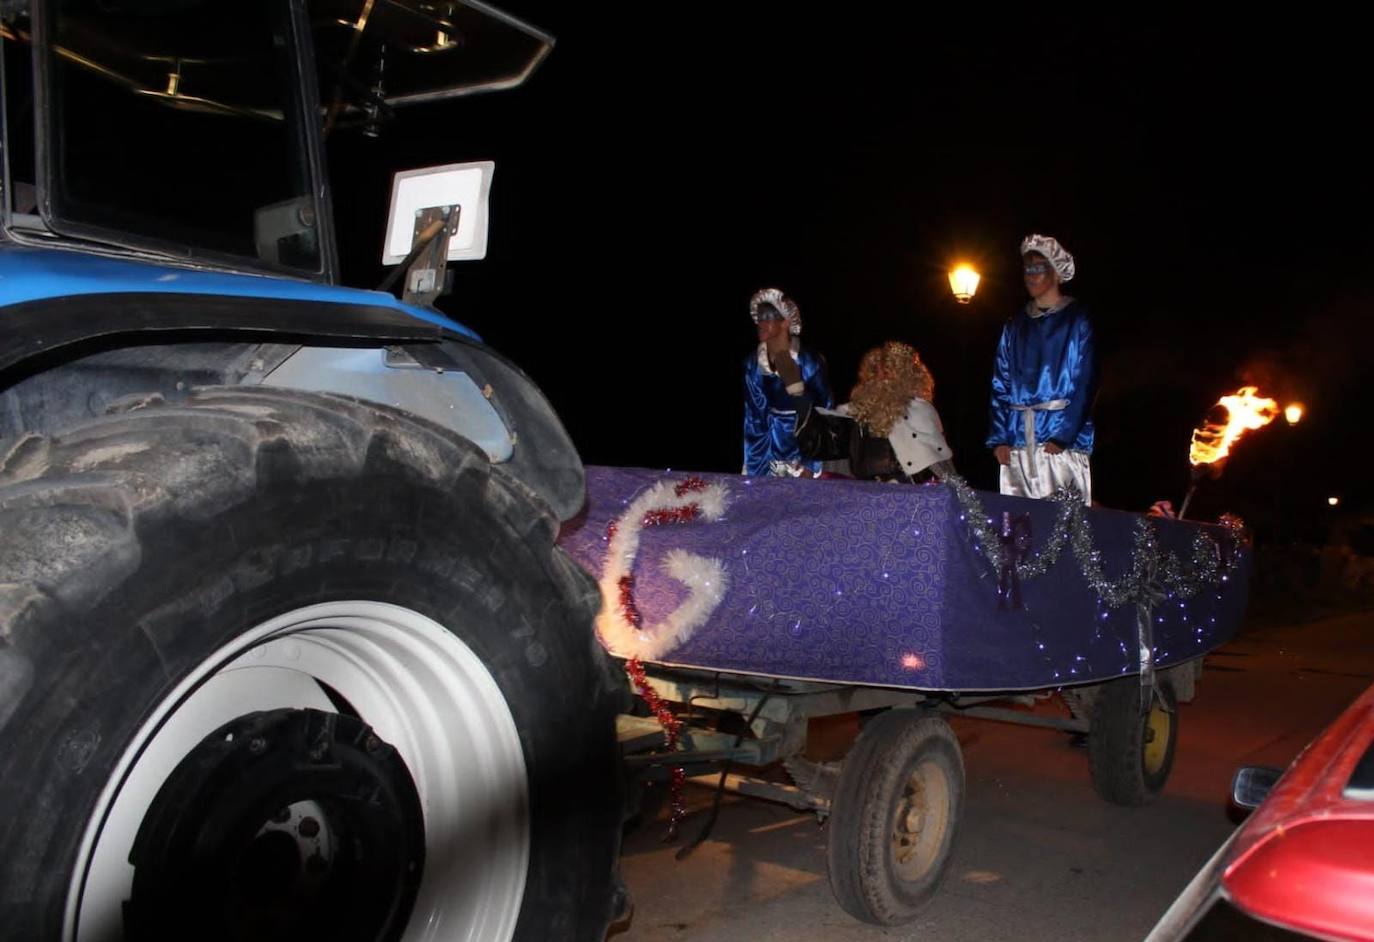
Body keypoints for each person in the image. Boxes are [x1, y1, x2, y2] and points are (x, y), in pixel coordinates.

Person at [987, 233, 1099, 504]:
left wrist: (1064, 435)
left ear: (1056, 273)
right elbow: (1000, 382)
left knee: (1064, 526)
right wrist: (1000, 438)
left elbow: (1085, 381)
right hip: (1018, 445)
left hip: (1058, 446)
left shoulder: (1077, 320)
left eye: (1039, 268)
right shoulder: (1014, 326)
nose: (1031, 276)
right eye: (1027, 270)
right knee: (1019, 529)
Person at [772, 339, 955, 483]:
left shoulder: (920, 412)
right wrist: (796, 391)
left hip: (908, 506)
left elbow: (938, 472)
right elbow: (820, 440)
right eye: (875, 372)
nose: (881, 378)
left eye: (890, 371)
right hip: (865, 504)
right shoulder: (853, 415)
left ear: (906, 378)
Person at [742, 287, 833, 477]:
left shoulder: (808, 362)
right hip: (771, 453)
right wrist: (756, 470)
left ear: (785, 322)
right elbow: (755, 419)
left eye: (767, 317)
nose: (760, 322)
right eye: (759, 318)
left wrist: (810, 465)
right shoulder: (753, 364)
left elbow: (824, 412)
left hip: (804, 447)